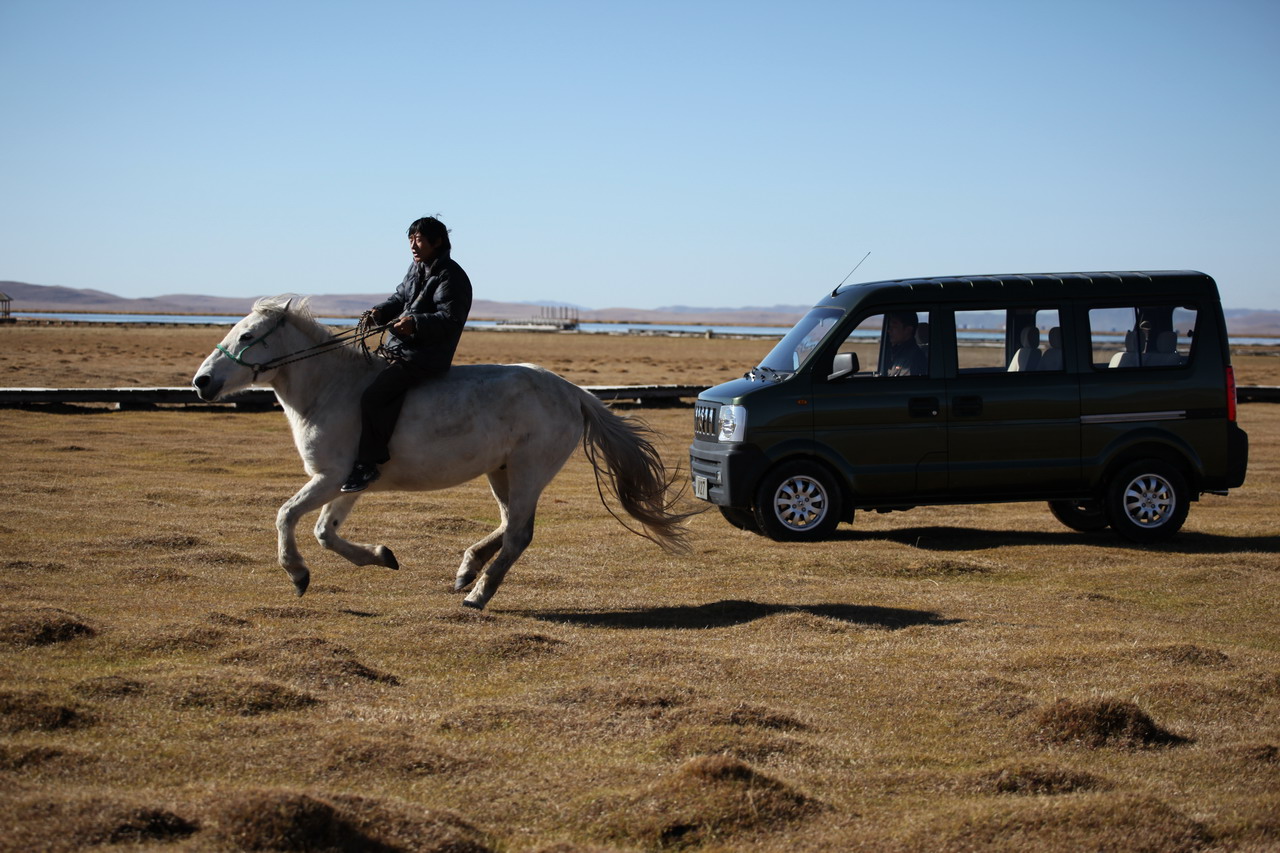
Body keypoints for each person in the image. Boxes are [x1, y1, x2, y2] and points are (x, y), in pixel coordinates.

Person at [341, 216, 473, 493]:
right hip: (401, 350)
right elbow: (400, 299)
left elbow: (450, 319)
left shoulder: (452, 277)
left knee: (375, 396)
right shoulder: (416, 269)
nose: (413, 245)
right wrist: (379, 312)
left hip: (424, 357)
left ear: (437, 242)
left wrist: (415, 324)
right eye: (411, 239)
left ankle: (367, 464)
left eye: (419, 239)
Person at [884, 310, 927, 377]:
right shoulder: (898, 353)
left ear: (908, 330)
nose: (889, 330)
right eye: (890, 326)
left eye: (894, 326)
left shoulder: (914, 358)